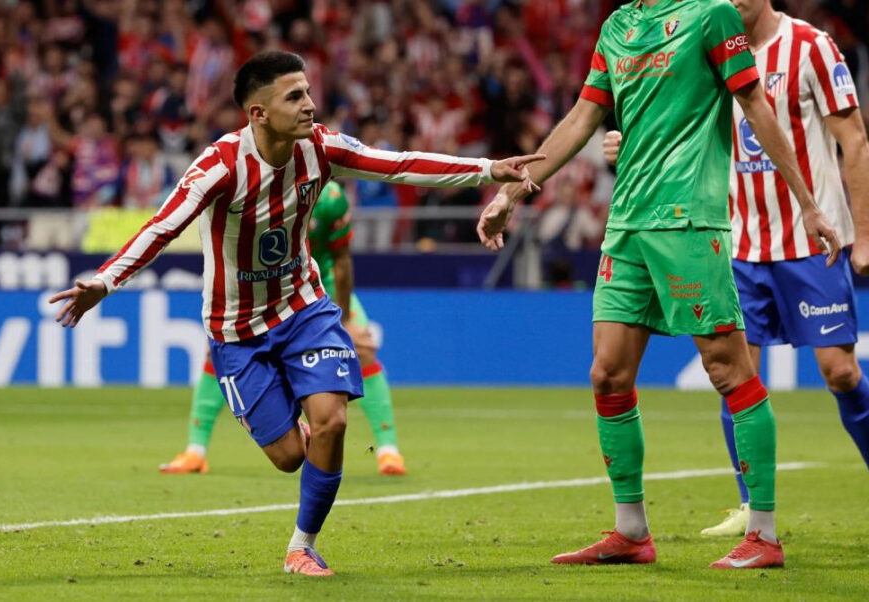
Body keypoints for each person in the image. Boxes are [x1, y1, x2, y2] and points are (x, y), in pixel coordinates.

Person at [50, 50, 542, 577]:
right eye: (294, 96)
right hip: (236, 329)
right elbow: (162, 227)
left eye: (307, 92)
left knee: (332, 421)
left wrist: (487, 170)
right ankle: (299, 436)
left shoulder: (320, 147)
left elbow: (398, 164)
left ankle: (301, 547)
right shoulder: (219, 167)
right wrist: (106, 281)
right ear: (258, 113)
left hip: (303, 307)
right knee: (289, 456)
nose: (309, 104)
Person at [477, 0, 841, 569]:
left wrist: (808, 204)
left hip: (688, 222)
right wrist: (512, 191)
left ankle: (765, 535)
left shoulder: (712, 15)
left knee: (729, 369)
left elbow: (755, 106)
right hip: (626, 226)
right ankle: (631, 531)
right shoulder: (618, 26)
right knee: (607, 373)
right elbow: (581, 118)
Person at [603, 0, 869, 538]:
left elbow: (855, 141)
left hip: (807, 241)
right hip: (736, 241)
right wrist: (627, 140)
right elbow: (673, 123)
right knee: (734, 371)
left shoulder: (812, 47)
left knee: (840, 372)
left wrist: (863, 234)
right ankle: (751, 506)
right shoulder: (700, 41)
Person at [161, 181, 408, 477]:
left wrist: (344, 319)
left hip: (320, 286)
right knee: (215, 355)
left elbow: (341, 259)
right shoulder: (253, 187)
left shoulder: (329, 197)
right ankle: (195, 451)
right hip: (264, 292)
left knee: (362, 348)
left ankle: (388, 450)